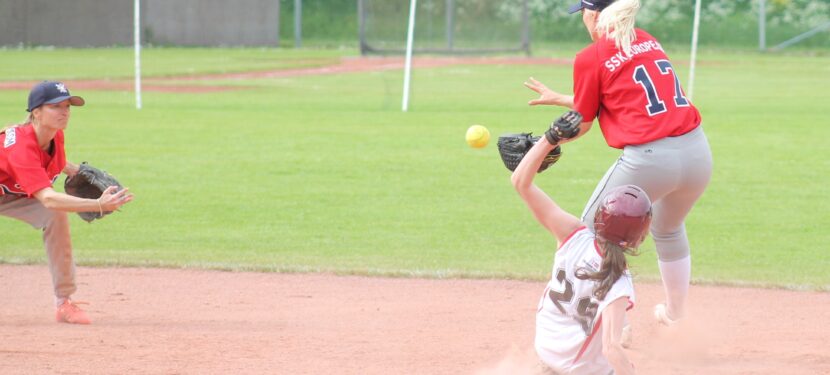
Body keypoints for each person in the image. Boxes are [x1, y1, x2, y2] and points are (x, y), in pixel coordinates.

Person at [524, 0, 712, 327]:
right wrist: (563, 98)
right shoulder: (646, 39)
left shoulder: (590, 56)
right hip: (697, 154)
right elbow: (633, 94)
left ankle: (611, 326)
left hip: (650, 160)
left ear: (594, 14)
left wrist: (543, 144)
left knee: (590, 232)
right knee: (668, 228)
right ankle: (674, 314)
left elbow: (581, 124)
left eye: (583, 12)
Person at [511, 116, 651, 375]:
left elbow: (520, 183)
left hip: (544, 355)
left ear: (599, 217)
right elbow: (612, 348)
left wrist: (549, 139)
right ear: (638, 237)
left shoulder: (572, 234)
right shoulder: (618, 280)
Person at [0, 81, 133, 324]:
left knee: (56, 216)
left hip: (10, 194)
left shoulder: (55, 136)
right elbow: (48, 198)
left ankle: (64, 302)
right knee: (55, 207)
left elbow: (53, 162)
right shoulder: (20, 146)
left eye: (67, 106)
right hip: (11, 191)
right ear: (36, 112)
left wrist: (75, 170)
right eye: (56, 106)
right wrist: (99, 204)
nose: (65, 112)